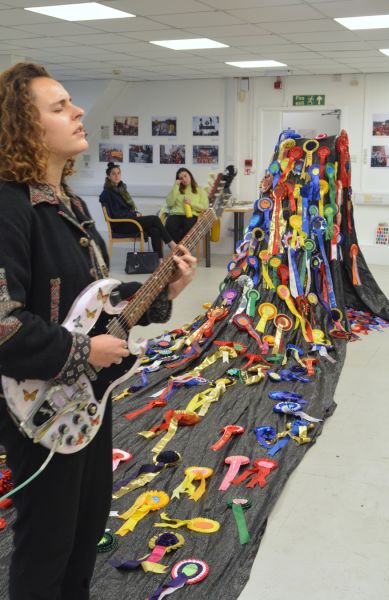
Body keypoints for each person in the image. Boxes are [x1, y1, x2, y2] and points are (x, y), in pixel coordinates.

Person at [0, 62, 197, 600]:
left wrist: (162, 292)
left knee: (86, 529)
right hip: (38, 409)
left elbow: (96, 305)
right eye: (60, 106)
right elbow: (4, 325)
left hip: (88, 399)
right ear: (23, 126)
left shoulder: (71, 204)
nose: (79, 110)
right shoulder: (9, 207)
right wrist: (85, 351)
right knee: (48, 543)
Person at [99, 162, 175, 258]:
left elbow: (126, 209)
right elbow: (116, 214)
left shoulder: (121, 190)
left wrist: (135, 213)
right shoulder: (107, 193)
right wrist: (134, 215)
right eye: (113, 174)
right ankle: (172, 244)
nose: (117, 176)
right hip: (120, 225)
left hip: (128, 221)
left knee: (154, 230)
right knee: (155, 219)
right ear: (108, 177)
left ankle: (159, 260)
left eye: (118, 173)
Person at [164, 167, 209, 243]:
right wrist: (176, 186)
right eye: (181, 178)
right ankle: (180, 248)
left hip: (191, 215)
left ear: (190, 175)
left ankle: (180, 248)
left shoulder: (200, 190)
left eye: (185, 176)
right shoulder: (176, 189)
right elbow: (169, 203)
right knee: (169, 226)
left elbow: (204, 207)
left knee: (189, 227)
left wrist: (191, 204)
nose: (184, 179)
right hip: (176, 214)